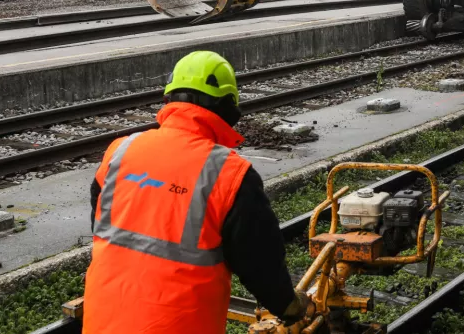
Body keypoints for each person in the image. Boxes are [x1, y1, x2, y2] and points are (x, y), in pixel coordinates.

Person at [83, 51, 309, 333]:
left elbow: (100, 224)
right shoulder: (229, 174)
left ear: (169, 99)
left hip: (103, 321)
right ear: (228, 108)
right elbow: (259, 260)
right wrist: (287, 305)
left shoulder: (120, 151)